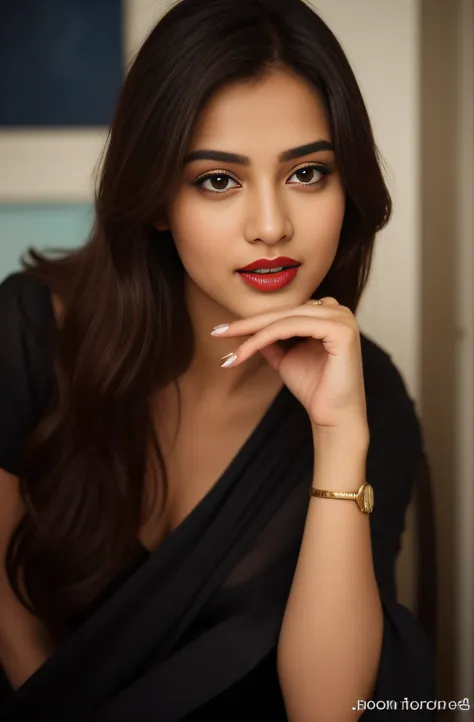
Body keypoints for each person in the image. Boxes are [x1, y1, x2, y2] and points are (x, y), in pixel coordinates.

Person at [0, 0, 436, 719]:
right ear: (157, 199)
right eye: (217, 180)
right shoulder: (28, 330)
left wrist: (337, 439)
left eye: (307, 173)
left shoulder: (371, 397)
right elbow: (11, 630)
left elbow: (328, 710)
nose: (272, 226)